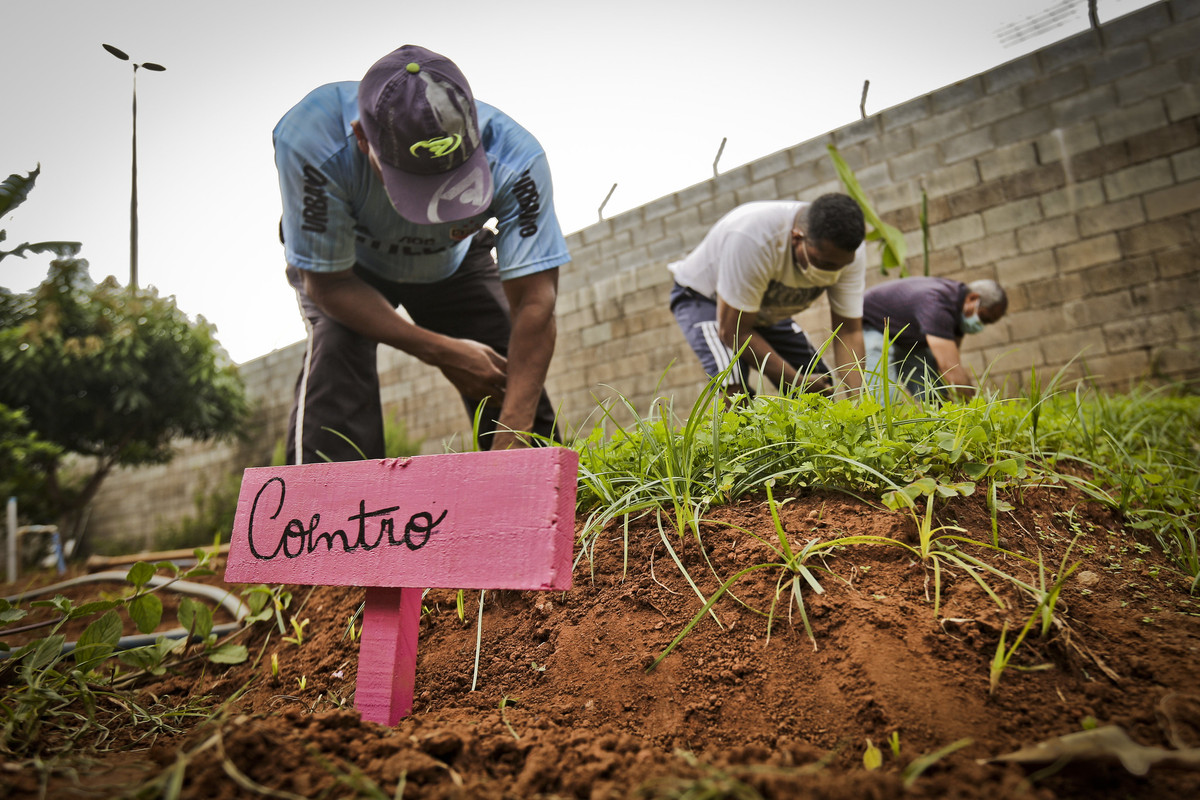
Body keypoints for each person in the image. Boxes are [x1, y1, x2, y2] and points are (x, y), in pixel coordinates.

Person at [273, 45, 570, 464]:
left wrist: (513, 434)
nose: (431, 214)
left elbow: (536, 302)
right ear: (361, 138)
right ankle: (329, 520)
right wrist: (442, 351)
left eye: (453, 184)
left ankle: (537, 499)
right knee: (337, 354)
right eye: (415, 186)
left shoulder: (516, 160)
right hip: (348, 269)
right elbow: (327, 284)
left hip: (456, 260)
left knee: (512, 376)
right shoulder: (312, 140)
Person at [668, 195, 867, 399]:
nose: (834, 273)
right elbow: (732, 331)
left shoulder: (850, 251)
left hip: (761, 309)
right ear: (797, 238)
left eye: (842, 265)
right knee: (733, 387)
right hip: (705, 298)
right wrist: (795, 381)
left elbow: (849, 331)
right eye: (823, 263)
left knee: (818, 382)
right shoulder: (754, 238)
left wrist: (859, 404)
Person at [861, 277, 1008, 401]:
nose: (981, 325)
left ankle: (941, 427)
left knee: (931, 389)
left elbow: (948, 363)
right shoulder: (939, 304)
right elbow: (950, 369)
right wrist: (978, 410)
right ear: (972, 298)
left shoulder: (958, 312)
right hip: (873, 325)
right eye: (983, 317)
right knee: (884, 395)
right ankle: (879, 428)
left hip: (906, 338)